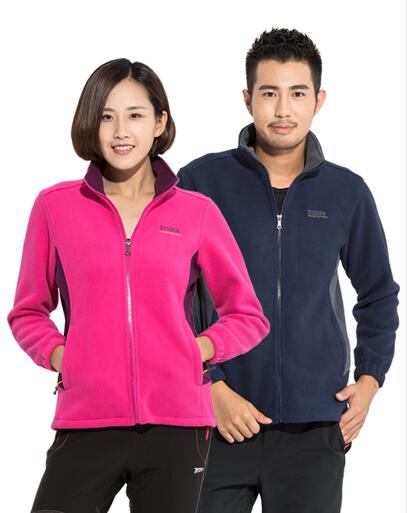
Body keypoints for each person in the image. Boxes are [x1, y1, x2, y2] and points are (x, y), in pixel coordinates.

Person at [7, 58, 270, 513]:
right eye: (106, 117)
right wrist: (63, 356)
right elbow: (28, 311)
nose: (120, 131)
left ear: (159, 123)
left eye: (134, 115)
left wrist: (198, 349)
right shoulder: (55, 207)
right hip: (86, 421)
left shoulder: (196, 212)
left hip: (178, 426)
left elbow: (247, 314)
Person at [177, 28, 400, 513]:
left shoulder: (346, 192)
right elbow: (170, 294)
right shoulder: (200, 182)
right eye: (269, 93)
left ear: (318, 100)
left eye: (297, 94)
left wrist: (369, 381)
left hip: (315, 428)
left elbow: (379, 295)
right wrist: (210, 385)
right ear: (247, 99)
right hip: (218, 420)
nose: (283, 109)